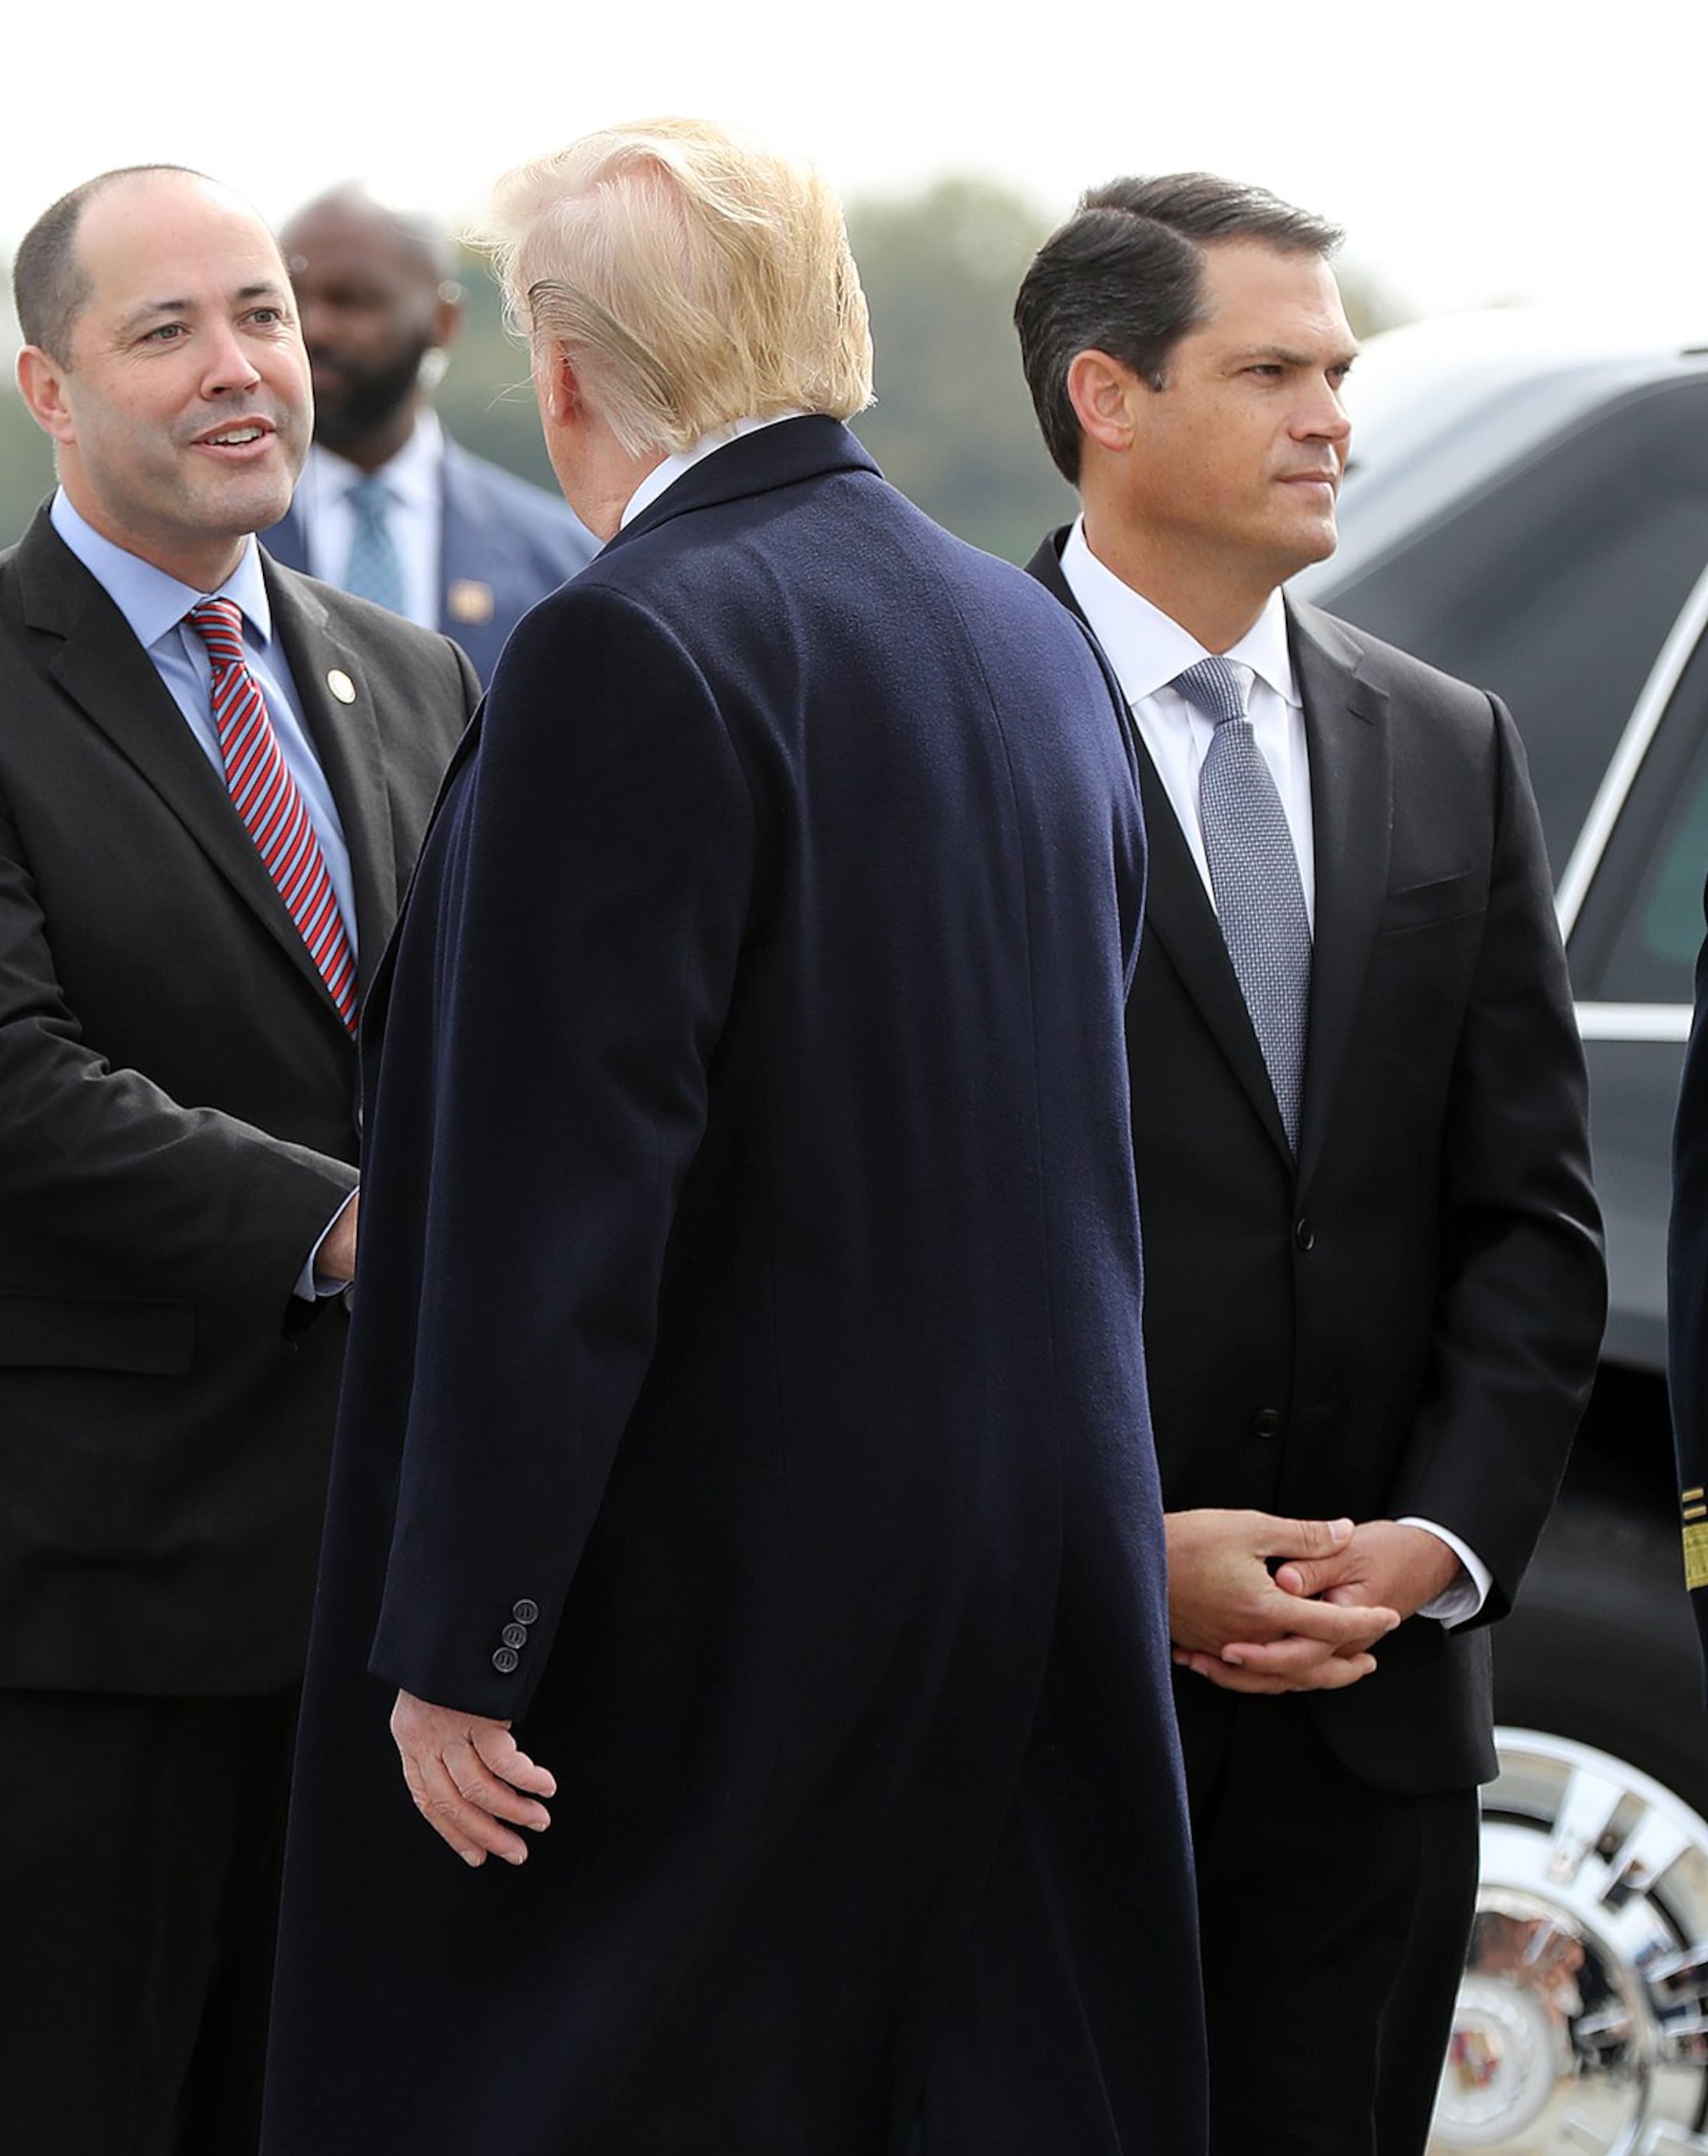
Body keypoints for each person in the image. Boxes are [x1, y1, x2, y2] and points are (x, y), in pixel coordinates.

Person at [263, 119, 1209, 2154]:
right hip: (1032, 1574)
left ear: (569, 368)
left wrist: (464, 1629)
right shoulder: (1031, 637)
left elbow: (562, 1200)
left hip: (721, 1612)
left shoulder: (635, 639)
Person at [0, 166, 477, 2154]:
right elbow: (3, 1085)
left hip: (374, 1612)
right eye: (164, 332)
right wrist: (369, 1232)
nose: (238, 369)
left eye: (259, 317)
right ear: (47, 386)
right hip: (68, 1622)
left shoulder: (412, 675)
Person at [1014, 175, 1602, 2155]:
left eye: (1335, 372)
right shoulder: (934, 734)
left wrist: (1434, 1548)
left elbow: (1525, 1212)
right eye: (1267, 371)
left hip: (1373, 1728)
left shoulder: (1448, 744)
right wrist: (1108, 1557)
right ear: (1102, 393)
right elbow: (868, 1249)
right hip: (1030, 1708)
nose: (1327, 418)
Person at [262, 185, 593, 680]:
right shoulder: (208, 541)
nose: (314, 328)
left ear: (444, 321)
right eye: (285, 303)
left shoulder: (565, 564)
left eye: (351, 300)